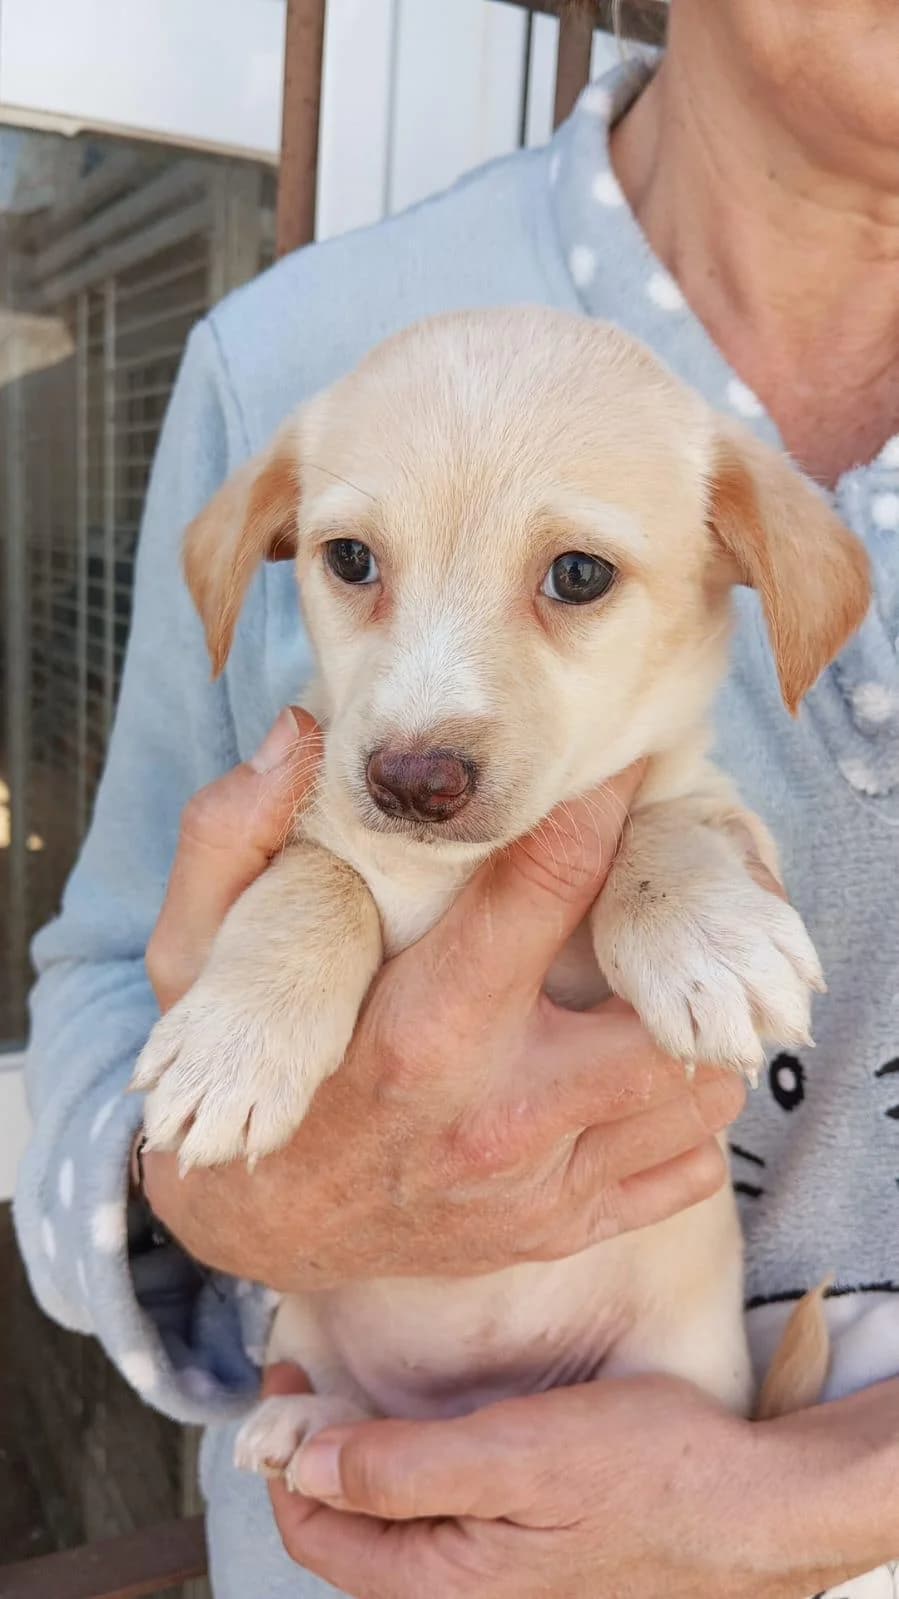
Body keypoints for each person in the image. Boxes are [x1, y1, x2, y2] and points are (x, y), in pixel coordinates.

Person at [15, 1, 899, 1594]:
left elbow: (670, 818)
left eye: (576, 578)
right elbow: (117, 970)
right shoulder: (286, 360)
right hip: (346, 1521)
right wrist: (211, 1194)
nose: (420, 727)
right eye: (352, 563)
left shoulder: (707, 516)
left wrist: (796, 1507)